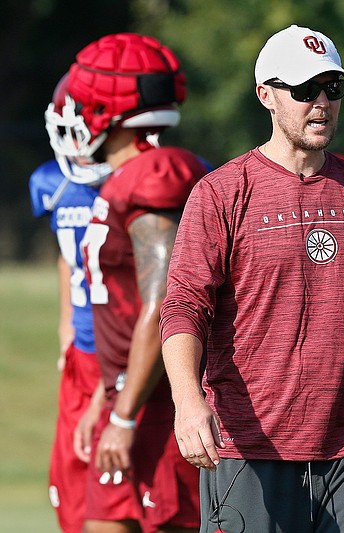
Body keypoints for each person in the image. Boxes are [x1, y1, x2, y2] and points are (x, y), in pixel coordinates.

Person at [159, 24, 344, 533]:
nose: (321, 103)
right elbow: (183, 307)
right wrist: (188, 402)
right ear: (266, 95)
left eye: (333, 89)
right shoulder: (221, 192)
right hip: (246, 450)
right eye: (304, 91)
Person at [48, 32, 208, 532]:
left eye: (79, 102)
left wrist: (123, 414)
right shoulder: (125, 177)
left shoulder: (155, 174)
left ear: (105, 111)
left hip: (162, 405)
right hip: (129, 394)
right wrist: (108, 395)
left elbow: (161, 301)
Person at [27, 75, 111, 533]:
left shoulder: (139, 180)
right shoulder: (50, 182)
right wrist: (64, 324)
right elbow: (69, 258)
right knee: (73, 484)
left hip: (128, 349)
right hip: (82, 349)